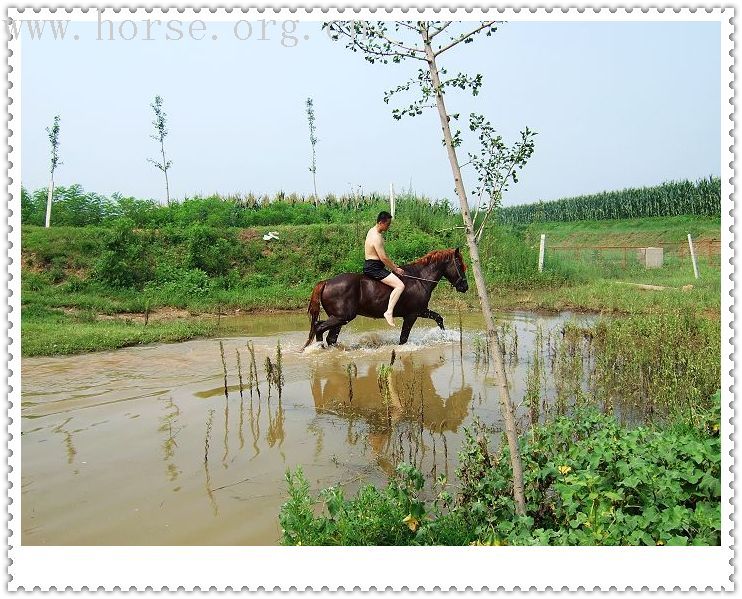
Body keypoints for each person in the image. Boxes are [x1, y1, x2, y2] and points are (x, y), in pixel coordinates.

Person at [363, 211, 406, 327]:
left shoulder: (371, 230)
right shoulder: (376, 237)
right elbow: (383, 258)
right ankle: (389, 312)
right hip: (375, 268)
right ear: (381, 222)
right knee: (400, 285)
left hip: (370, 265)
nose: (388, 227)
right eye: (387, 224)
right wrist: (395, 269)